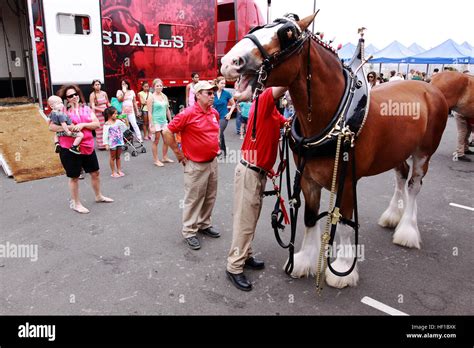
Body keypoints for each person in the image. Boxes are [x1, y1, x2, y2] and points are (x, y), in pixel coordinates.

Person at [226, 86, 288, 292]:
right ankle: (234, 267)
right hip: (249, 172)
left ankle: (246, 255)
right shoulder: (262, 102)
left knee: (250, 219)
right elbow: (282, 85)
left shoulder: (272, 111)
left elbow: (286, 123)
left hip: (258, 173)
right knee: (244, 221)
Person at [162, 81, 221, 250]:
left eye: (212, 93)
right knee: (193, 199)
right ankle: (189, 231)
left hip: (212, 162)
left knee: (210, 196)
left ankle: (204, 224)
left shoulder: (214, 113)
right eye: (208, 93)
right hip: (195, 165)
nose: (212, 96)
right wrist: (178, 153)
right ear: (197, 95)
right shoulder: (188, 113)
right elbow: (167, 131)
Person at [50, 84, 113, 214]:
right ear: (65, 98)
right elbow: (52, 128)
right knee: (74, 176)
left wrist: (83, 124)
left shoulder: (86, 109)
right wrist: (69, 128)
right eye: (70, 96)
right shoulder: (61, 111)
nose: (74, 97)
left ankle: (98, 196)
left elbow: (97, 124)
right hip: (69, 148)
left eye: (76, 94)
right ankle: (75, 203)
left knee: (95, 172)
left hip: (87, 146)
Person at [147, 78, 174, 167]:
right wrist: (152, 125)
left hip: (164, 122)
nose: (159, 87)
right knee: (156, 141)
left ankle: (165, 157)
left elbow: (167, 110)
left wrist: (170, 121)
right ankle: (156, 160)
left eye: (160, 85)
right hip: (156, 122)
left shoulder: (164, 96)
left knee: (166, 140)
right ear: (154, 87)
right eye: (157, 86)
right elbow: (149, 112)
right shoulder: (151, 96)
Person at [213, 76, 236, 156]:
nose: (223, 85)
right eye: (221, 83)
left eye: (224, 83)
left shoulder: (227, 94)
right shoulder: (213, 93)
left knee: (219, 131)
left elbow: (233, 104)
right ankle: (223, 150)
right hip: (214, 117)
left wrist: (230, 113)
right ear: (217, 83)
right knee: (220, 133)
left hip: (224, 116)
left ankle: (217, 151)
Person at [103, 106, 127, 177]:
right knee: (112, 157)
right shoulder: (107, 124)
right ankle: (113, 172)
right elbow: (105, 135)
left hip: (119, 141)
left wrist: (125, 121)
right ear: (110, 115)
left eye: (117, 113)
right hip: (112, 143)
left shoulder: (118, 122)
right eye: (115, 114)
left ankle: (119, 170)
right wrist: (106, 144)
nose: (117, 115)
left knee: (118, 156)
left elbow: (125, 128)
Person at [89, 79, 110, 150]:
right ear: (93, 86)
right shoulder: (92, 95)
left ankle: (107, 143)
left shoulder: (104, 93)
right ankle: (101, 145)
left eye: (99, 84)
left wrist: (111, 108)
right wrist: (101, 110)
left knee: (106, 128)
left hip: (106, 113)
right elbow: (93, 106)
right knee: (99, 130)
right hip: (98, 114)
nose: (98, 86)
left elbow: (107, 102)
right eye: (96, 85)